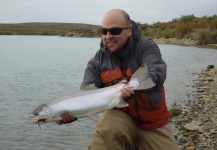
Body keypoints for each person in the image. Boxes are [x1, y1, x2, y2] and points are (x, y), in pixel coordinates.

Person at [56, 9, 179, 150]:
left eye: (115, 30)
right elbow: (85, 95)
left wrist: (134, 86)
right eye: (104, 31)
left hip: (152, 121)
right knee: (106, 132)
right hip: (119, 116)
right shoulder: (96, 62)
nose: (108, 36)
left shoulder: (146, 47)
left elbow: (158, 71)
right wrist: (73, 112)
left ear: (129, 31)